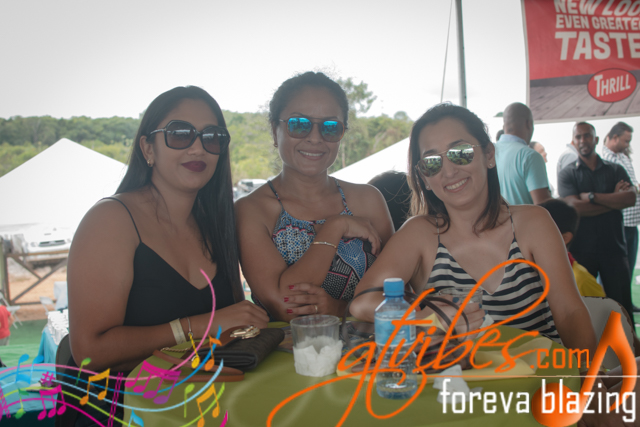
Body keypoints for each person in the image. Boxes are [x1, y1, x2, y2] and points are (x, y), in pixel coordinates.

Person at [66, 86, 268, 425]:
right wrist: (198, 326)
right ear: (148, 147)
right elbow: (90, 351)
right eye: (179, 133)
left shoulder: (215, 224)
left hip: (199, 405)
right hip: (118, 411)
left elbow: (229, 328)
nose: (198, 147)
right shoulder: (111, 220)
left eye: (212, 137)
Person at [236, 72, 394, 322]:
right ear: (275, 130)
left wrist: (340, 309)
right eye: (299, 124)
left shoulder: (368, 200)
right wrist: (336, 227)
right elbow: (284, 306)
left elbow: (400, 290)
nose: (315, 137)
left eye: (330, 127)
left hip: (372, 344)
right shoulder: (252, 210)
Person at [557, 122, 636, 318]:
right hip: (582, 251)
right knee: (586, 311)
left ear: (596, 139)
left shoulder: (615, 170)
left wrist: (592, 197)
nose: (582, 140)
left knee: (622, 309)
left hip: (614, 249)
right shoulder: (568, 173)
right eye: (578, 137)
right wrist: (613, 200)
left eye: (587, 136)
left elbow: (630, 199)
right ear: (573, 141)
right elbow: (574, 207)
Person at [602, 122, 639, 310]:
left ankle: (626, 303)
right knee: (618, 271)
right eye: (626, 141)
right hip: (620, 223)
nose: (628, 144)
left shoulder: (622, 157)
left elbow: (630, 188)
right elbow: (621, 192)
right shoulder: (607, 160)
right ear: (614, 137)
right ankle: (615, 307)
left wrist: (633, 189)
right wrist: (632, 191)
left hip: (632, 223)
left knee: (628, 267)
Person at [538, 199, 605, 298]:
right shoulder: (531, 271)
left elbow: (601, 307)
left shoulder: (581, 280)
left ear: (564, 238)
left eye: (539, 232)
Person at [495, 102, 551, 205]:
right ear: (529, 124)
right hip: (525, 216)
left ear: (504, 126)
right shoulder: (530, 156)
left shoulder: (489, 153)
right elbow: (543, 206)